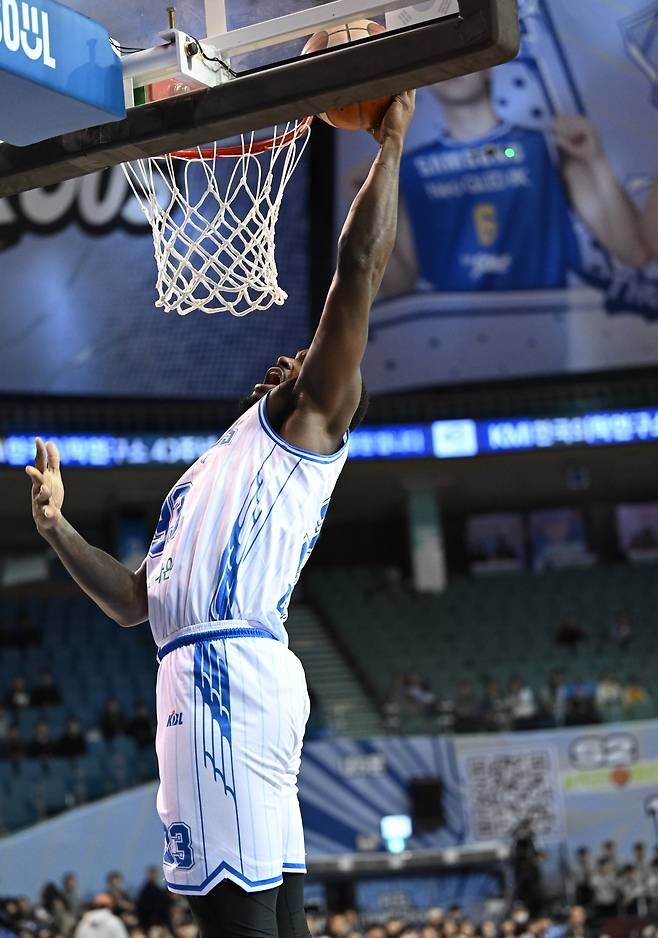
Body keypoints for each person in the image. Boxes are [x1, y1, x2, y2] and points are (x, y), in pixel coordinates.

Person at [25, 91, 416, 938]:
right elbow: (134, 601)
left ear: (330, 391)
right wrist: (59, 530)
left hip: (219, 679)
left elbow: (358, 273)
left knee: (237, 925)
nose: (295, 357)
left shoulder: (307, 431)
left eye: (312, 360)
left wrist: (388, 147)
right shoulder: (220, 464)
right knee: (280, 921)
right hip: (237, 676)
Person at [379, 71, 648, 297]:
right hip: (452, 329)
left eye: (463, 55)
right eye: (439, 61)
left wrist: (595, 160)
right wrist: (365, 203)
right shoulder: (410, 168)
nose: (452, 67)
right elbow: (397, 285)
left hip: (543, 321)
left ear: (488, 66)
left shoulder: (547, 147)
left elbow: (631, 251)